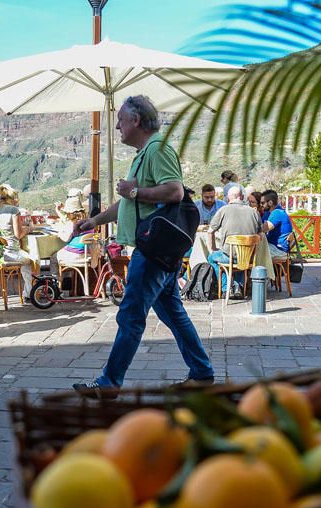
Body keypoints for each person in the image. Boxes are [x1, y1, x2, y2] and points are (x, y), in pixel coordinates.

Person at [70, 95, 214, 397]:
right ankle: (201, 373)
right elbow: (127, 203)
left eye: (121, 120)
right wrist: (95, 220)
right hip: (156, 250)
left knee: (130, 316)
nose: (118, 127)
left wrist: (135, 191)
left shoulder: (157, 149)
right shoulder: (144, 153)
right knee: (172, 312)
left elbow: (174, 191)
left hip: (151, 250)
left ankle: (109, 385)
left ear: (136, 120)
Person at [206, 187, 262, 298]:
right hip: (248, 256)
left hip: (228, 256)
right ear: (242, 197)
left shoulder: (223, 210)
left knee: (212, 257)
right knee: (241, 257)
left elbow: (210, 231)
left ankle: (226, 287)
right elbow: (260, 235)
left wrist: (212, 249)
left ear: (229, 198)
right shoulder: (254, 212)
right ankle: (238, 287)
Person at [0, 183, 34, 300]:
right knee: (30, 260)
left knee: (25, 258)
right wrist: (29, 228)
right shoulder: (14, 210)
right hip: (11, 253)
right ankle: (29, 293)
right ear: (13, 199)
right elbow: (18, 235)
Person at [261, 190, 294, 258]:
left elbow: (264, 229)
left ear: (270, 202)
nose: (261, 205)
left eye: (262, 203)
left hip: (278, 249)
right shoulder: (270, 212)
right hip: (273, 246)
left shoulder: (277, 213)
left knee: (253, 251)